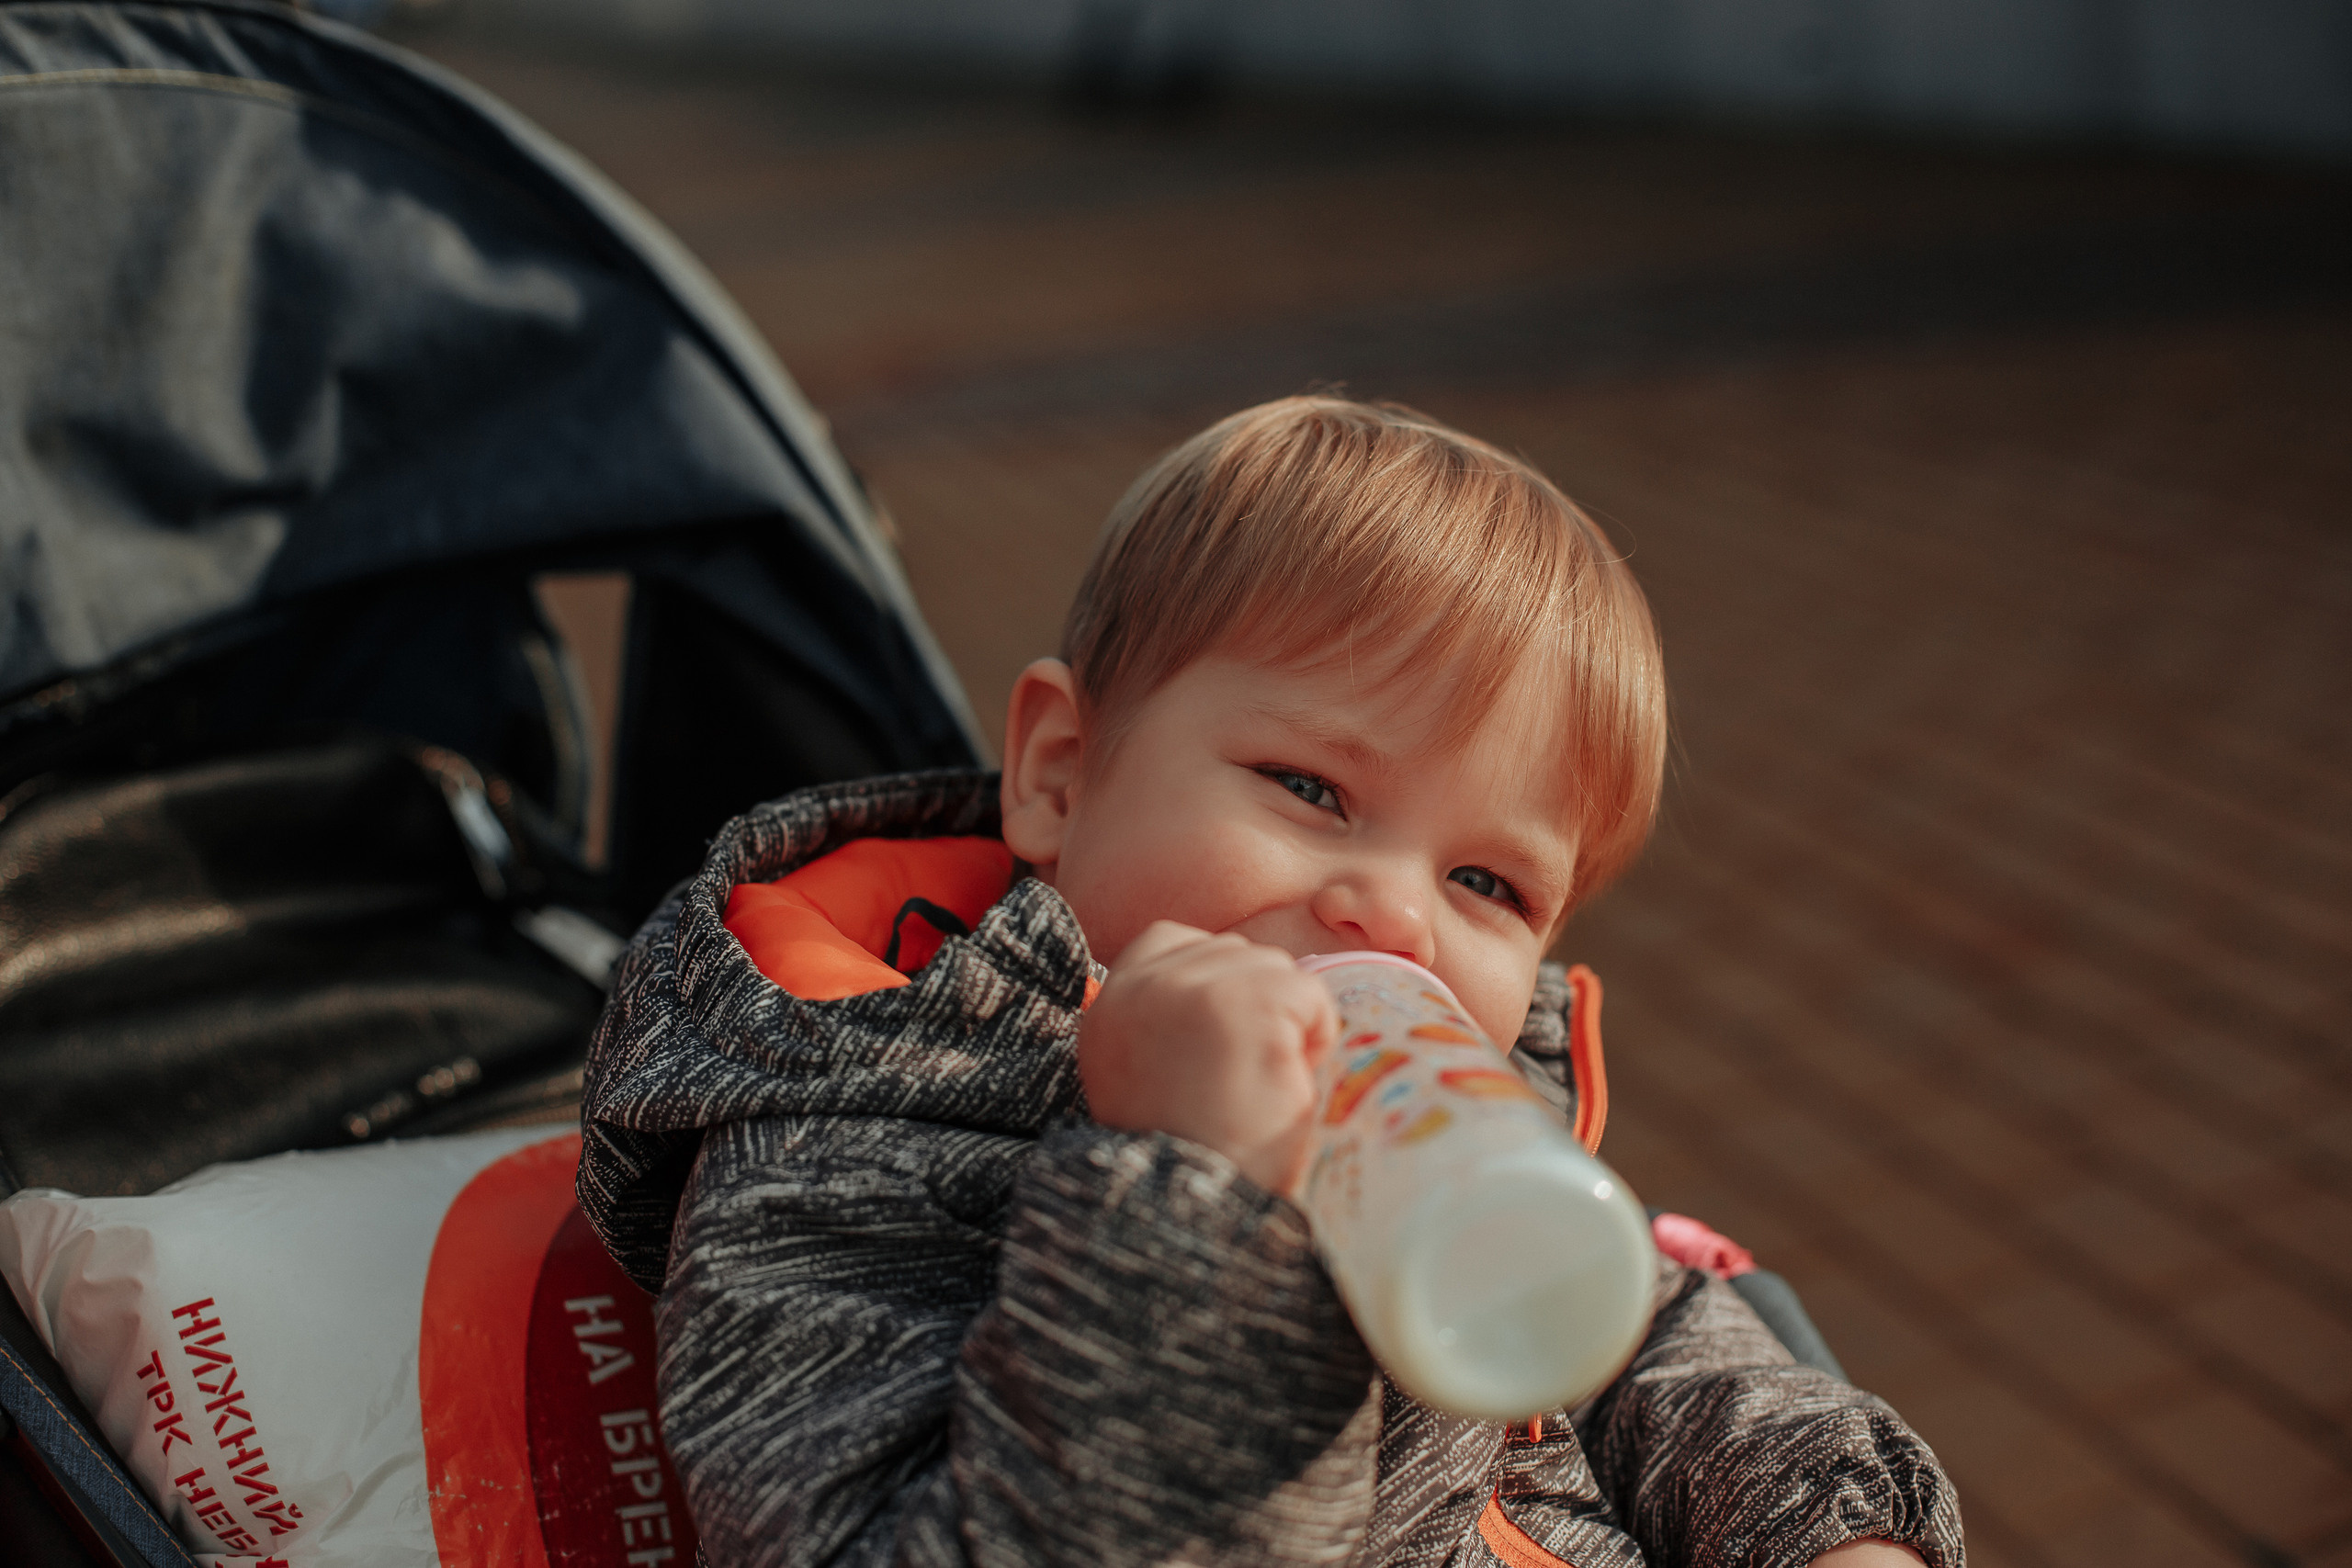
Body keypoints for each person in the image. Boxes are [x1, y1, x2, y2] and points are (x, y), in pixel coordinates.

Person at [577, 397, 1963, 1568]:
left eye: (1489, 886)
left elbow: (1642, 1336)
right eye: (1311, 789)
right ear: (1062, 774)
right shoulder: (852, 1138)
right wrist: (1186, 1199)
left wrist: (1830, 1528)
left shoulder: (1445, 1115)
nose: (1395, 914)